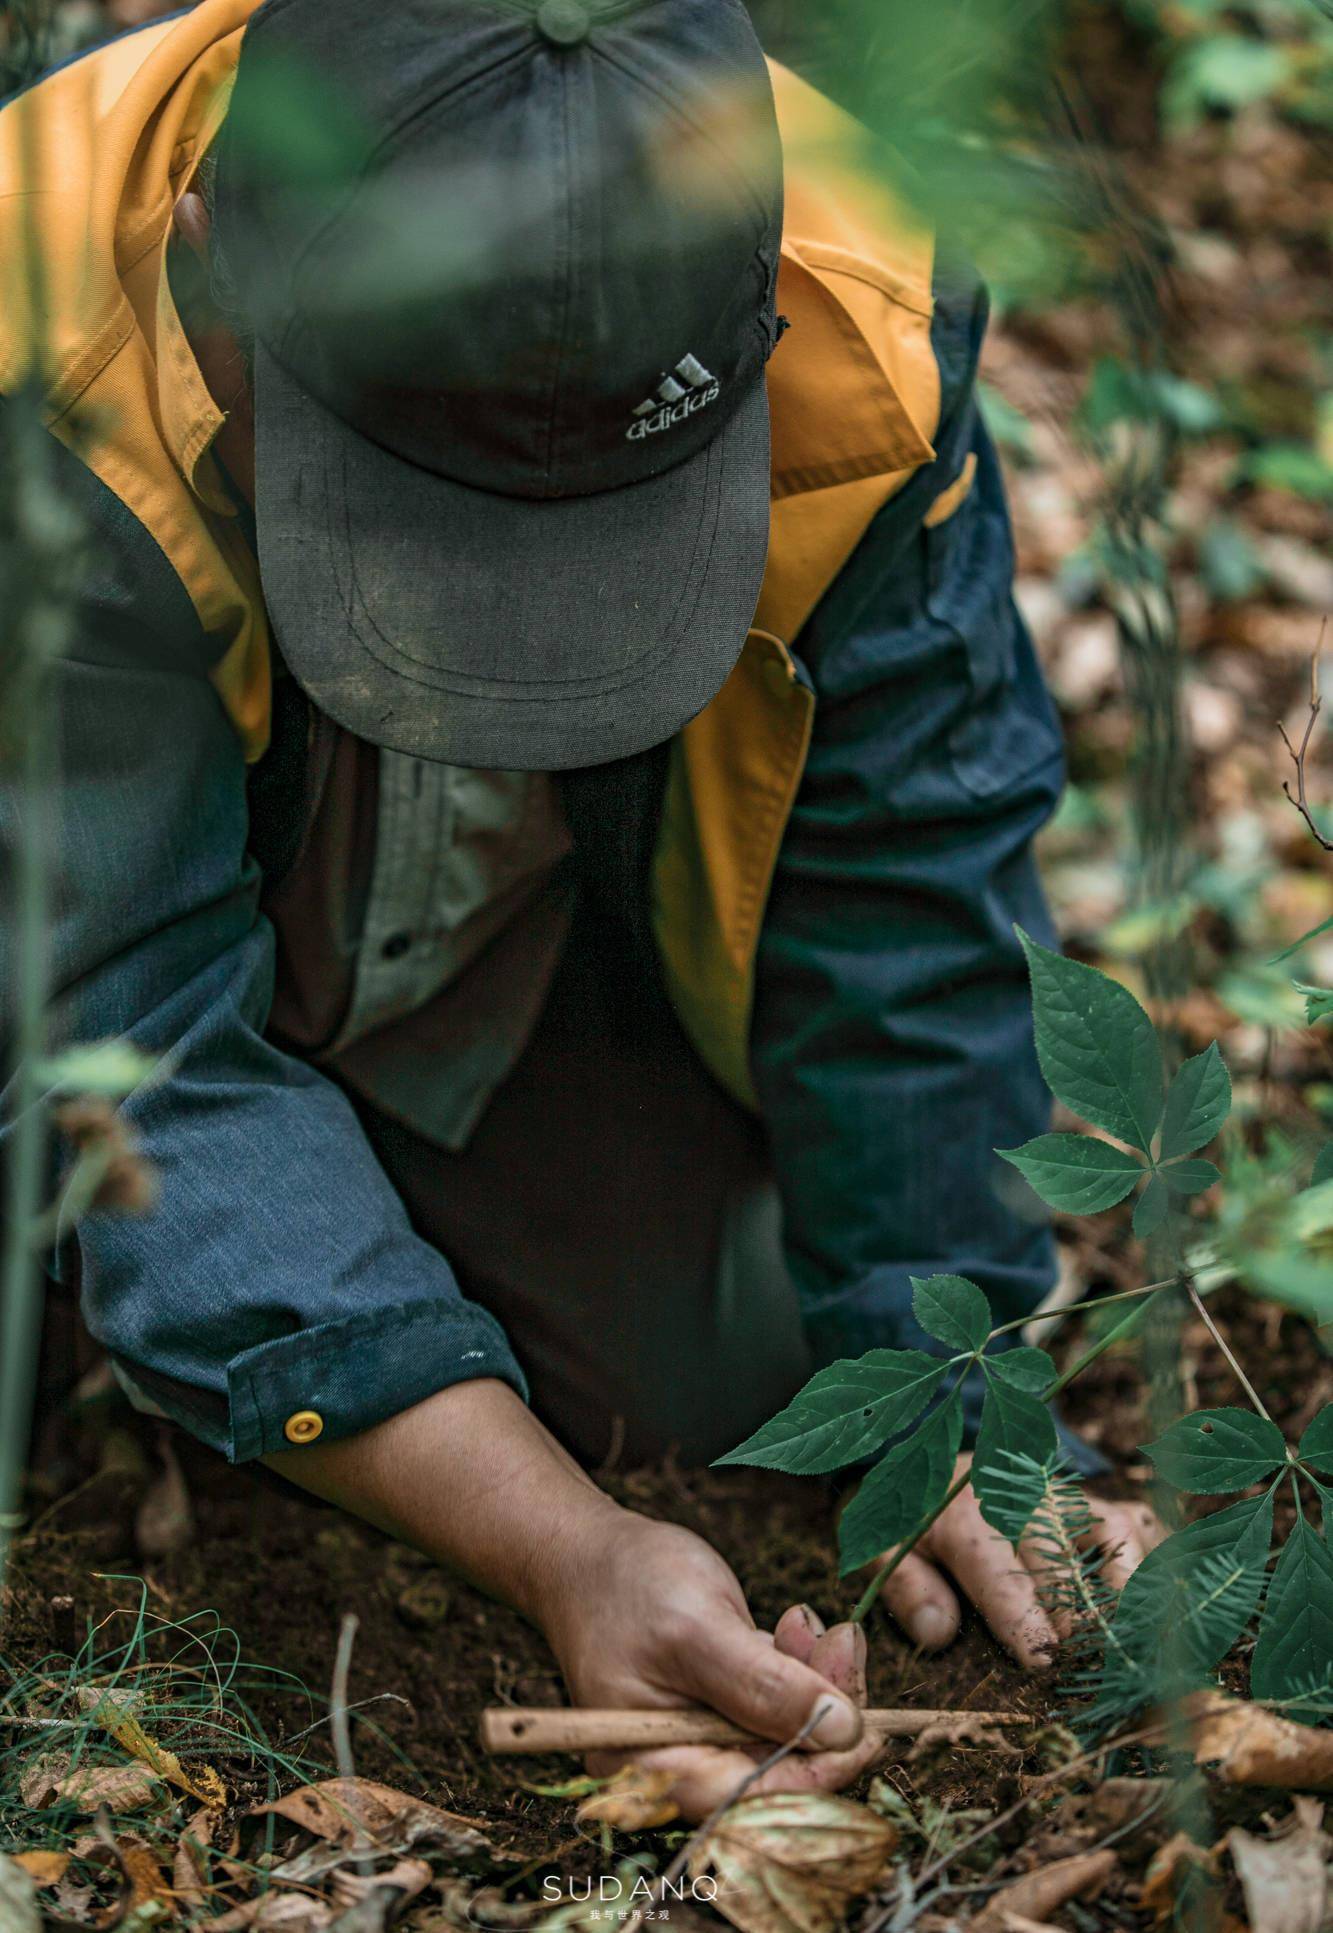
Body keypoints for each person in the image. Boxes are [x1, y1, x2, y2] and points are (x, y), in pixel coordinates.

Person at [0, 0, 1161, 1818]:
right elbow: (111, 1026)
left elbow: (910, 885)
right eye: (414, 520)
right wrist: (559, 1545)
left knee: (699, 1355)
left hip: (488, 964)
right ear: (210, 244)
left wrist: (953, 1379)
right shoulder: (28, 325)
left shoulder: (856, 325)